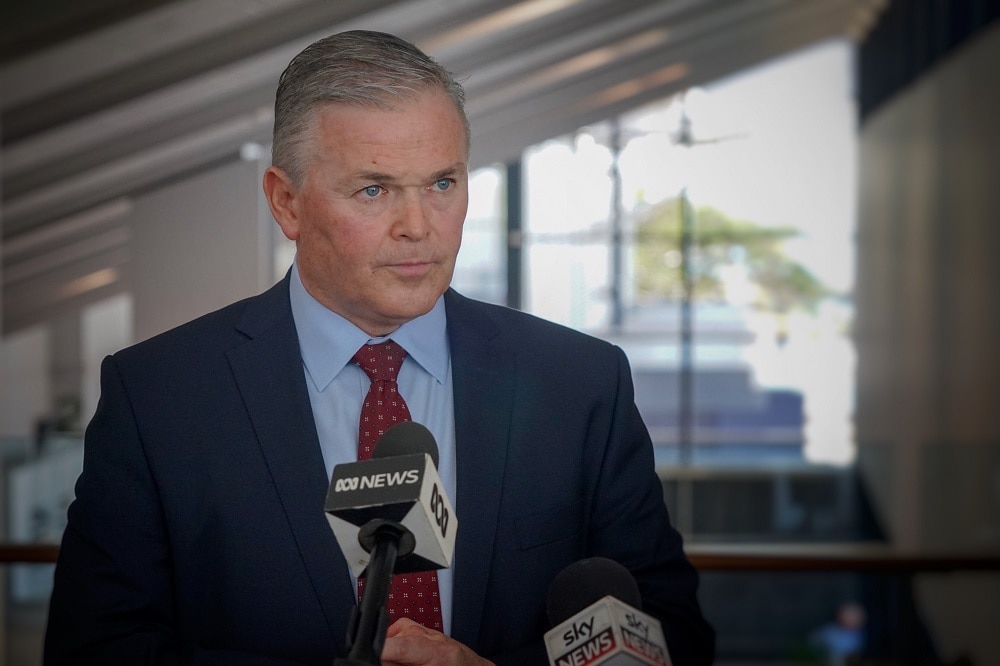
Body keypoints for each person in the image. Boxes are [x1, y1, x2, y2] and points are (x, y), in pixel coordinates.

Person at [44, 30, 714, 665]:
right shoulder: (160, 397)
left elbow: (672, 633)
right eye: (374, 189)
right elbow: (95, 650)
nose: (419, 227)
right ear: (287, 203)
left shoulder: (580, 384)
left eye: (442, 184)